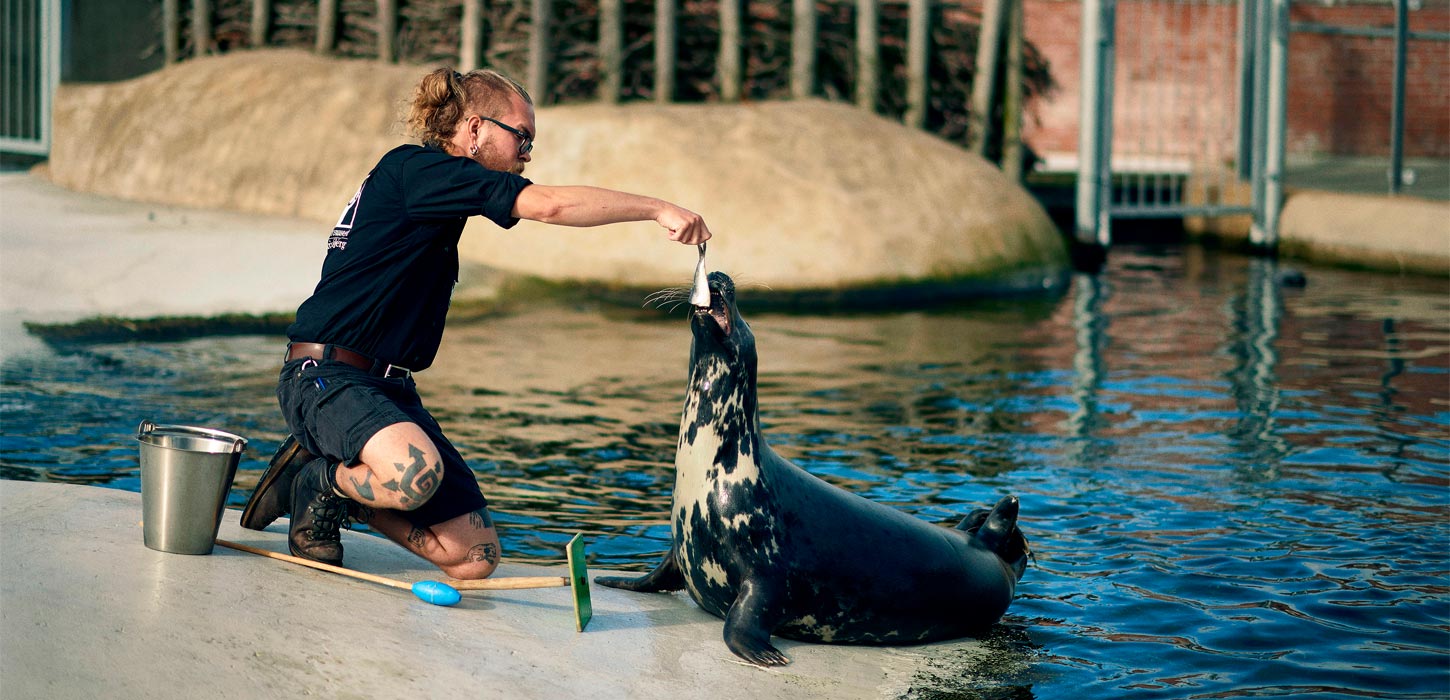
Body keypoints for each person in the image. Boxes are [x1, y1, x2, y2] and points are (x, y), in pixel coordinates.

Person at [239, 67, 712, 580]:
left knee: (473, 557)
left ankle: (335, 481)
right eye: (521, 137)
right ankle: (323, 481)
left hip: (388, 389)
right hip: (325, 376)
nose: (526, 154)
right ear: (473, 128)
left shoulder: (441, 192)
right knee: (412, 474)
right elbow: (550, 205)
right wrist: (657, 209)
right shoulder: (417, 170)